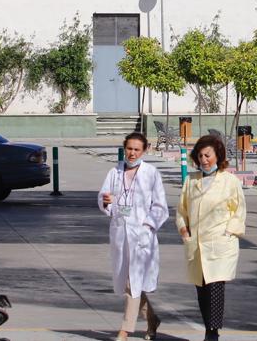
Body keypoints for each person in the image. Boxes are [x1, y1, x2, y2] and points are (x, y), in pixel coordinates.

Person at [177, 134, 247, 341]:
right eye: (200, 156)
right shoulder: (191, 181)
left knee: (215, 286)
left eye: (207, 155)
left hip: (220, 243)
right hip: (197, 243)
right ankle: (209, 326)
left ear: (218, 155)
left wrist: (229, 232)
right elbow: (181, 210)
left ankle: (212, 332)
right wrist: (183, 230)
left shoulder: (230, 181)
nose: (203, 160)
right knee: (202, 289)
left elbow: (239, 210)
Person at [99, 132, 168, 341]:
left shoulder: (151, 173)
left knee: (132, 282)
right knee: (131, 282)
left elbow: (160, 206)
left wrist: (148, 225)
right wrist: (107, 202)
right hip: (121, 234)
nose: (132, 153)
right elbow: (103, 197)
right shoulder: (114, 172)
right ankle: (152, 319)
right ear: (124, 148)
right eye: (129, 148)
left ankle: (125, 330)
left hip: (141, 237)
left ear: (145, 150)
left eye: (137, 149)